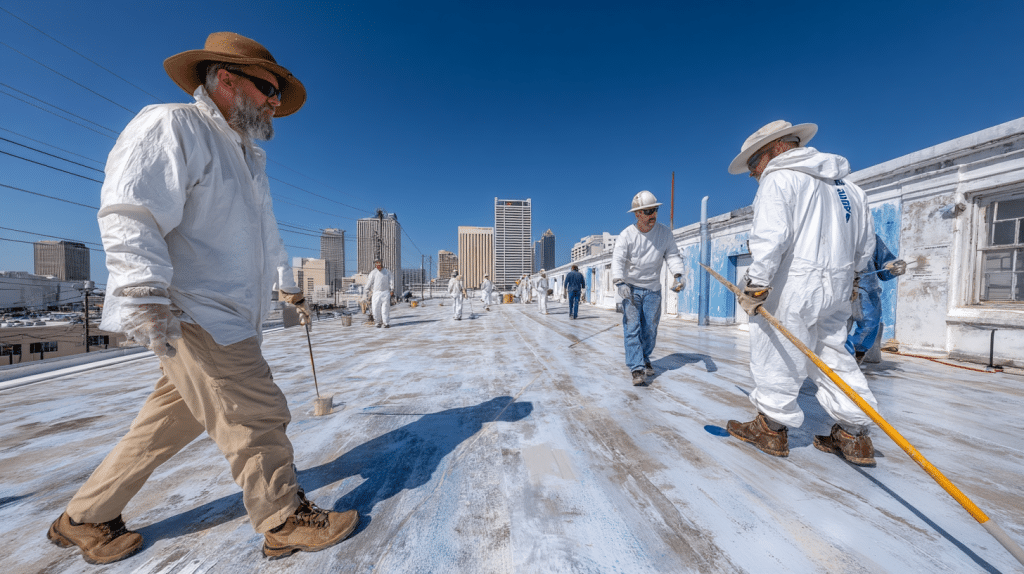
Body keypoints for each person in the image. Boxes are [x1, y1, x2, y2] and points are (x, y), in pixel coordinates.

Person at [46, 33, 358, 565]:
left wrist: (286, 288)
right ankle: (283, 519)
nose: (274, 102)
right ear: (226, 79)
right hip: (194, 312)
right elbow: (130, 211)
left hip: (231, 315)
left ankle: (85, 516)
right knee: (258, 414)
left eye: (278, 93)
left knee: (164, 425)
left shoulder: (244, 157)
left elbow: (262, 239)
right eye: (268, 88)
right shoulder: (172, 126)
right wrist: (145, 296)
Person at [725, 120, 880, 466]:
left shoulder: (780, 178)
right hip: (837, 287)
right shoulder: (851, 190)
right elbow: (865, 245)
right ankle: (855, 435)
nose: (753, 174)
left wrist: (756, 286)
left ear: (778, 147)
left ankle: (770, 427)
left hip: (793, 285)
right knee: (834, 356)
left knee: (778, 352)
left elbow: (771, 238)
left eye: (753, 164)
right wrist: (852, 278)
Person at [611, 190, 686, 386]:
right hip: (631, 289)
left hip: (653, 290)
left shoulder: (664, 233)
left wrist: (678, 274)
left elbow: (672, 255)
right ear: (637, 214)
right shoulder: (626, 235)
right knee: (632, 328)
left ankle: (644, 357)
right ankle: (636, 368)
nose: (652, 215)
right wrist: (620, 282)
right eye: (647, 211)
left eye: (654, 210)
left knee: (650, 329)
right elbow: (617, 259)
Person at [847, 234, 906, 362]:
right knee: (835, 328)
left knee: (869, 325)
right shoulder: (830, 231)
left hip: (866, 290)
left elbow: (884, 265)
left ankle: (857, 355)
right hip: (837, 289)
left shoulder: (870, 238)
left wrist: (893, 267)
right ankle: (837, 359)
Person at [366, 259, 394, 328]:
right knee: (375, 308)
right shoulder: (373, 273)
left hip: (386, 292)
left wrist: (392, 289)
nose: (378, 266)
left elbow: (391, 280)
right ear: (375, 265)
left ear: (381, 264)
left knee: (385, 309)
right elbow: (369, 282)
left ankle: (386, 323)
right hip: (376, 293)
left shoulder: (387, 272)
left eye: (379, 264)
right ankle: (378, 322)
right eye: (376, 265)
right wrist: (366, 290)